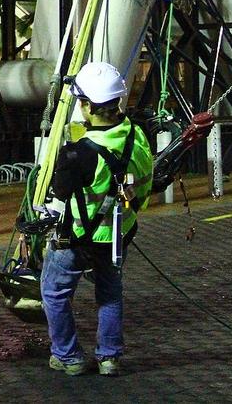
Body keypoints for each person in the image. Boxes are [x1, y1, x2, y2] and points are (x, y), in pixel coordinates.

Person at [42, 61, 154, 377]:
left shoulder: (77, 153)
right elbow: (144, 184)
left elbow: (59, 195)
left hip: (77, 239)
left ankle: (69, 356)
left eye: (81, 102)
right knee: (109, 292)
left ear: (89, 106)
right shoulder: (137, 136)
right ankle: (109, 358)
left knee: (54, 292)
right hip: (118, 235)